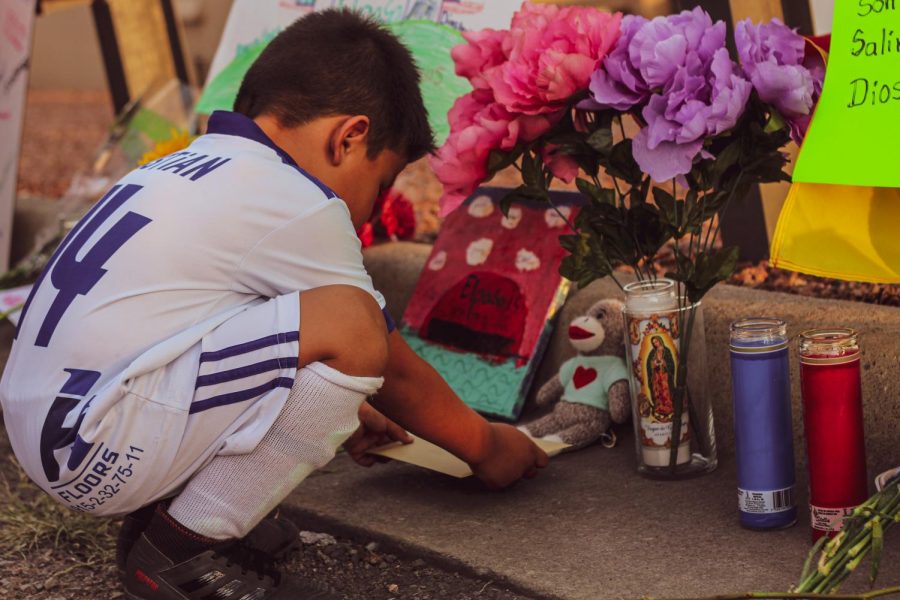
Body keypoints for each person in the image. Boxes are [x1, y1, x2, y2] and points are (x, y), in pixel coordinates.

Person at [0, 10, 548, 599]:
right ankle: (182, 551)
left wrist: (343, 405)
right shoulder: (299, 201)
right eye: (382, 181)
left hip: (47, 430)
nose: (371, 207)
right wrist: (488, 448)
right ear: (349, 137)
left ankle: (163, 524)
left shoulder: (181, 166)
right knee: (353, 322)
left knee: (314, 325)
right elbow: (386, 362)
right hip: (97, 447)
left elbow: (200, 326)